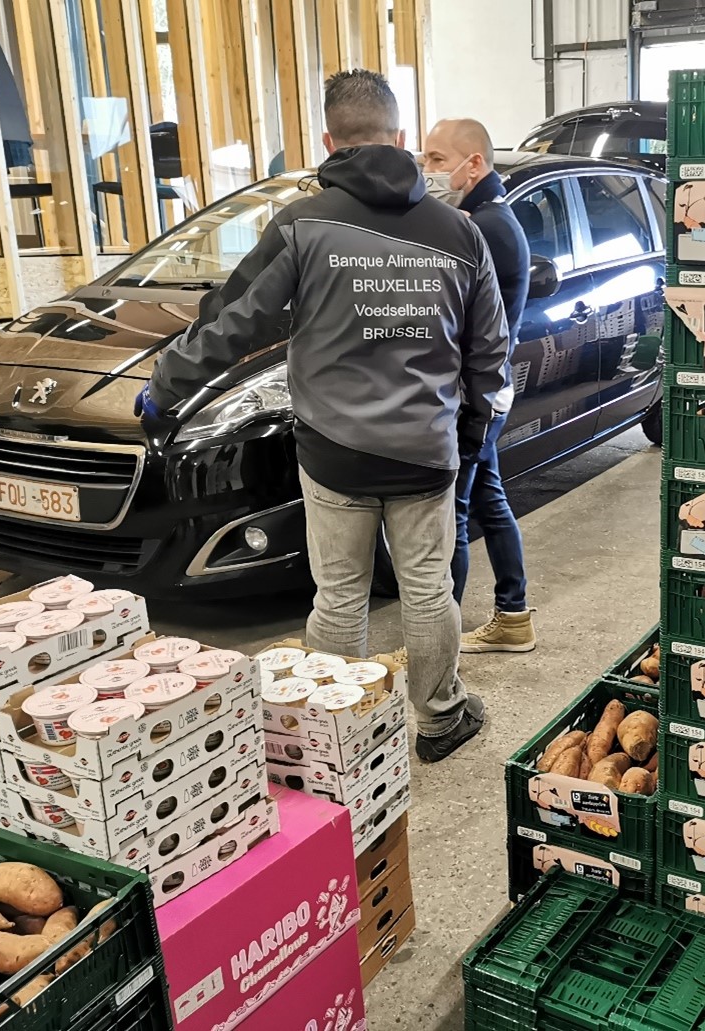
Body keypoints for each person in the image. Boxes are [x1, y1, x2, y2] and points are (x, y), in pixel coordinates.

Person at [136, 70, 509, 762]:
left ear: (329, 142)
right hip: (425, 450)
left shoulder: (302, 225)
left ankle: (332, 735)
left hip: (334, 452)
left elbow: (235, 322)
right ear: (401, 137)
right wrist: (472, 432)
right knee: (429, 590)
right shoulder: (459, 231)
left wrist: (165, 383)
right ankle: (440, 719)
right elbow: (490, 353)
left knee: (339, 596)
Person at [421, 118, 537, 653]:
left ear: (474, 164)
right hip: (488, 387)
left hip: (477, 392)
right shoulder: (488, 217)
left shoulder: (483, 226)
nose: (427, 171)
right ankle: (513, 615)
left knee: (455, 511)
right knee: (489, 497)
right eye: (424, 159)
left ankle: (438, 645)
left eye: (437, 160)